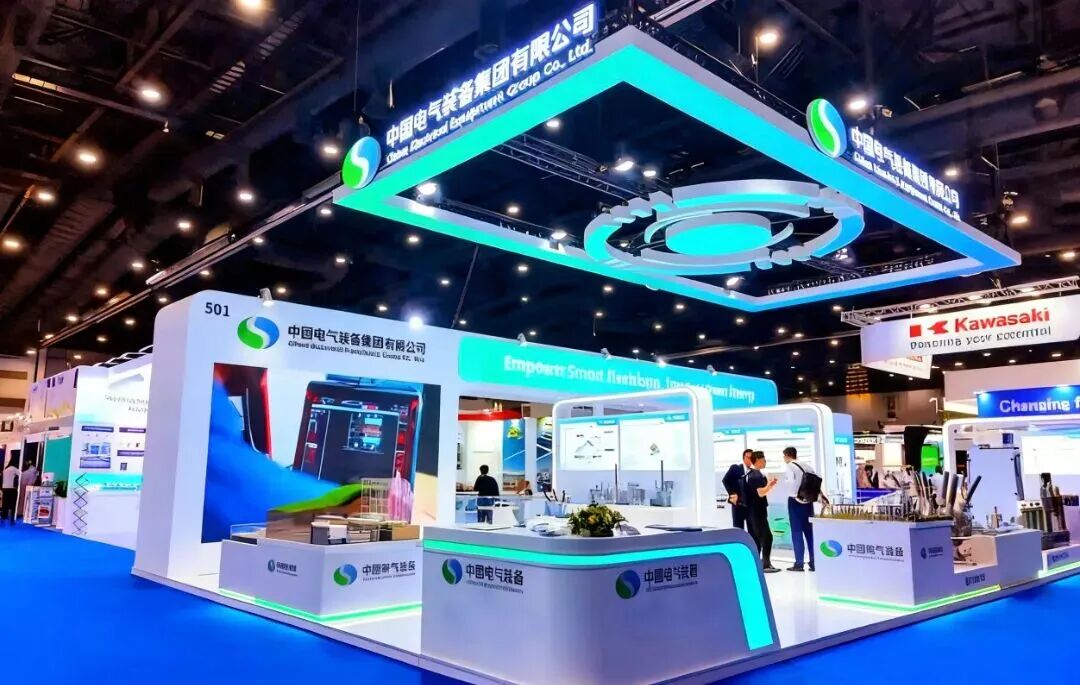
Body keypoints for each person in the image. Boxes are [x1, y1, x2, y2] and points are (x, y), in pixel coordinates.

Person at [782, 447, 825, 572]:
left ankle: (799, 563)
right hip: (809, 501)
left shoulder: (790, 466)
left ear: (787, 455)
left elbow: (791, 485)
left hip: (796, 502)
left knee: (796, 533)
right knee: (810, 533)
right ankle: (814, 562)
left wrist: (795, 496)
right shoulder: (808, 466)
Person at [744, 451, 780, 573]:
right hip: (757, 511)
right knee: (767, 537)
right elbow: (760, 493)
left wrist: (770, 485)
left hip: (754, 510)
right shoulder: (756, 475)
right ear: (758, 461)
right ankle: (765, 564)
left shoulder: (752, 474)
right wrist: (769, 486)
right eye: (764, 460)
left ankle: (759, 562)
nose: (765, 462)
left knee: (758, 538)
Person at [722, 449, 754, 530]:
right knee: (738, 530)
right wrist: (732, 494)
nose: (750, 459)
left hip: (750, 507)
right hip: (738, 505)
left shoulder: (754, 472)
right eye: (748, 457)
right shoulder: (735, 468)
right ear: (744, 458)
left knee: (753, 531)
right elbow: (725, 480)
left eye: (752, 458)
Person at [1, 460, 19, 525]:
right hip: (12, 489)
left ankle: (3, 519)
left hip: (5, 489)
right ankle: (12, 520)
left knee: (5, 504)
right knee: (13, 505)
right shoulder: (14, 469)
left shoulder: (5, 470)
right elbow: (21, 475)